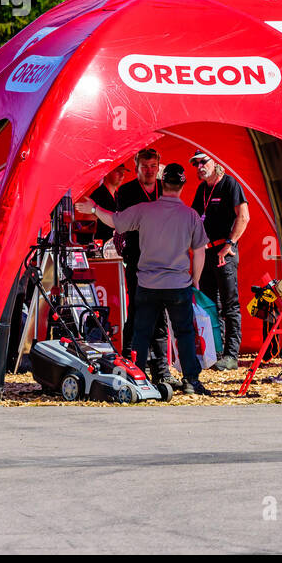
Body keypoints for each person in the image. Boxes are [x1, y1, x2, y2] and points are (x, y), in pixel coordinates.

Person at [81, 163, 209, 395]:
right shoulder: (190, 216)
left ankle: (137, 378)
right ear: (182, 185)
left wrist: (93, 209)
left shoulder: (144, 210)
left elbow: (115, 221)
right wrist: (195, 280)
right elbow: (200, 251)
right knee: (185, 334)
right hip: (178, 285)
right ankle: (191, 380)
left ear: (162, 183)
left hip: (148, 284)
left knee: (142, 332)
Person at [189, 150, 250, 371]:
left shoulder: (229, 184)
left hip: (224, 253)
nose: (199, 166)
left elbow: (244, 216)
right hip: (206, 253)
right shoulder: (202, 189)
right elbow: (195, 219)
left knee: (229, 304)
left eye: (203, 162)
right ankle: (214, 352)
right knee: (208, 304)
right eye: (196, 164)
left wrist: (230, 244)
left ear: (215, 161)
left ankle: (231, 354)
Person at [116, 149, 169, 371]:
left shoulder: (166, 190)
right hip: (138, 260)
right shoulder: (126, 191)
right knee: (139, 308)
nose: (149, 171)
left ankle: (161, 366)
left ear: (159, 166)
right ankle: (131, 358)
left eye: (153, 166)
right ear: (137, 166)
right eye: (145, 167)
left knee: (160, 312)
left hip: (163, 261)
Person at [77, 163, 127, 246]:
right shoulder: (98, 196)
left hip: (114, 249)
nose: (121, 175)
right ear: (106, 173)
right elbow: (86, 226)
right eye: (118, 171)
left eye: (123, 172)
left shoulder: (118, 196)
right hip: (100, 250)